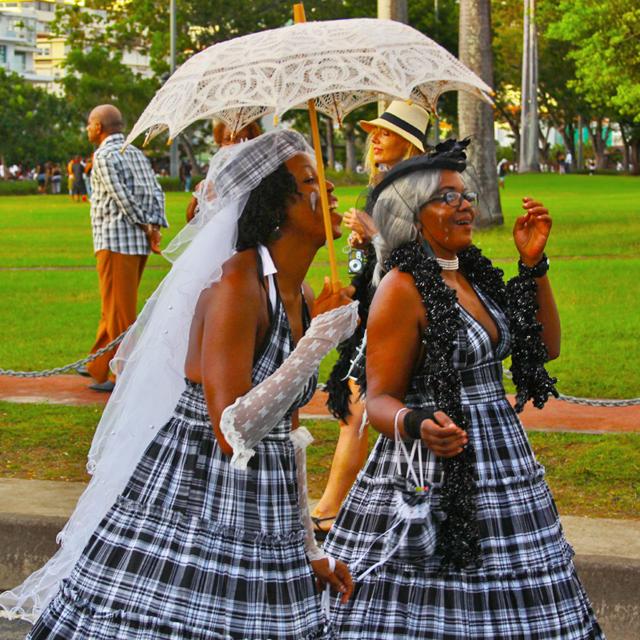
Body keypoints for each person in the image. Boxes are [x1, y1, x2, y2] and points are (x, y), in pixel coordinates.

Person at [0, 130, 355, 638]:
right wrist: (316, 343)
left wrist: (310, 551)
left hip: (267, 502)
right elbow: (232, 430)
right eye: (310, 181)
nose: (331, 190)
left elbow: (288, 434)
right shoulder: (239, 284)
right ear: (275, 202)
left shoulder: (296, 291)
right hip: (198, 494)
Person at [324, 139, 604, 639]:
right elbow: (381, 397)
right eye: (447, 198)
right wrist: (417, 423)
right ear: (414, 214)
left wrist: (533, 265)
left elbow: (547, 347)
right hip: (431, 460)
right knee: (429, 590)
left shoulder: (475, 276)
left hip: (500, 458)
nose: (465, 205)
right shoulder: (400, 287)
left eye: (465, 195)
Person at [313, 100, 429, 540]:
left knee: (359, 408)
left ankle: (330, 509)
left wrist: (375, 234)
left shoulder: (415, 190)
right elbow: (374, 268)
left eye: (387, 131)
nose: (376, 137)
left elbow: (413, 262)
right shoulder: (381, 188)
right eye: (374, 131)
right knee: (358, 408)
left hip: (397, 313)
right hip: (373, 308)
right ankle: (343, 507)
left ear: (410, 143)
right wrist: (360, 243)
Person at [81, 104, 168, 392]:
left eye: (89, 124)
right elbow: (156, 191)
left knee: (119, 311)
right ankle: (98, 363)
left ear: (99, 127)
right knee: (114, 305)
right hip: (136, 244)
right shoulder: (135, 152)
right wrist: (154, 226)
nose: (87, 129)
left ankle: (122, 375)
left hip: (115, 240)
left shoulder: (104, 155)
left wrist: (144, 225)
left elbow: (123, 198)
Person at [184, 120, 263, 223]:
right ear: (220, 143)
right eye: (227, 139)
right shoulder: (215, 175)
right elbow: (192, 219)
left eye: (239, 139)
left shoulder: (261, 173)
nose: (233, 145)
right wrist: (200, 198)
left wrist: (221, 196)